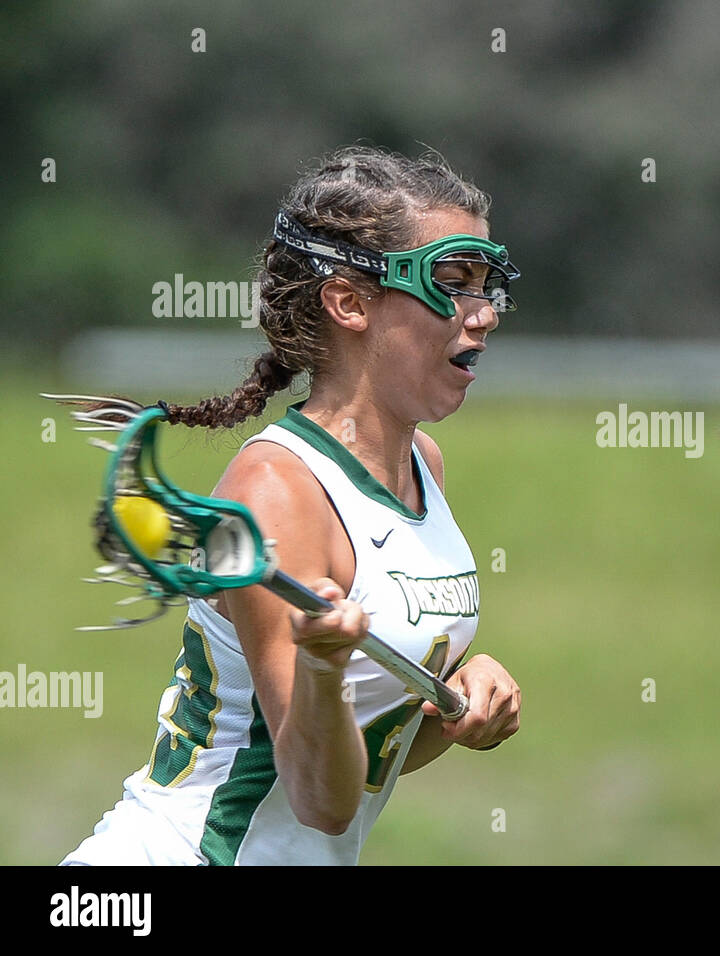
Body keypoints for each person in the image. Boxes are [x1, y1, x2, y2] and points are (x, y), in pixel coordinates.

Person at [62, 146, 522, 865]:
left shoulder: (421, 464)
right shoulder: (279, 491)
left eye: (486, 284)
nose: (484, 313)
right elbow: (321, 799)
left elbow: (370, 746)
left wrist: (459, 708)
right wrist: (320, 669)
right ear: (349, 303)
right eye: (452, 282)